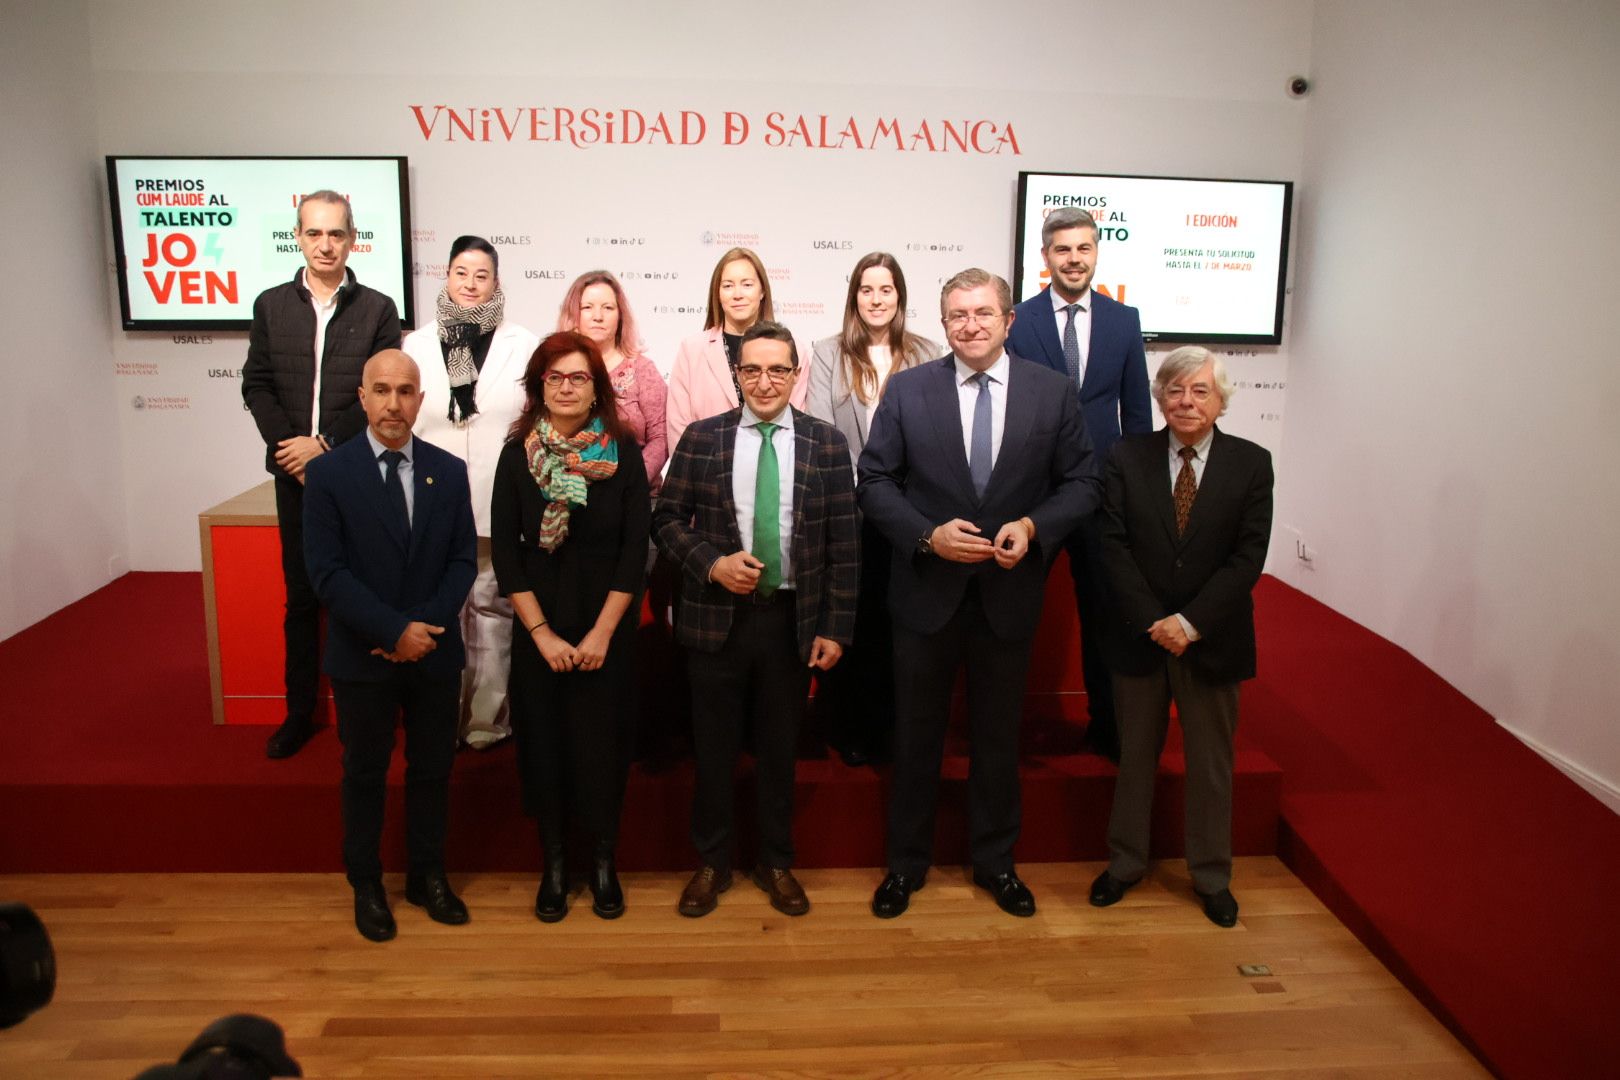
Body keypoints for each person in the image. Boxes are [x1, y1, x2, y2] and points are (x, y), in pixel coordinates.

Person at [857, 269, 1101, 920]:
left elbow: (1082, 482)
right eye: (957, 315)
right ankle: (905, 866)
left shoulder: (1052, 393)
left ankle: (997, 863)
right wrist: (925, 536)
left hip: (1008, 594)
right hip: (925, 594)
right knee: (915, 737)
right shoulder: (909, 390)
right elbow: (874, 479)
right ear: (943, 324)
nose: (970, 324)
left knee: (997, 739)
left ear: (1008, 320)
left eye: (983, 313)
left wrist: (1033, 526)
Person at [653, 321, 858, 918]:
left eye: (778, 370)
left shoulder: (826, 443)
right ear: (737, 376)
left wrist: (835, 627)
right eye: (752, 370)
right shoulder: (701, 438)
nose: (764, 381)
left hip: (792, 621)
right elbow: (665, 521)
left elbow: (845, 542)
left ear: (797, 376)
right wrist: (711, 564)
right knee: (712, 750)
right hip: (716, 620)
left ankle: (776, 860)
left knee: (778, 750)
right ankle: (712, 862)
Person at [1088, 346, 1273, 929]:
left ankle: (1212, 874)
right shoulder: (1125, 457)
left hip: (1212, 639)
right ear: (1159, 397)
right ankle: (1125, 864)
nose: (1186, 402)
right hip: (1140, 639)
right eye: (1174, 390)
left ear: (1221, 400)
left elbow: (1248, 558)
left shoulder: (1252, 463)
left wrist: (1190, 623)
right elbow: (1111, 546)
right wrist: (1154, 620)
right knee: (1135, 756)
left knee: (1212, 764)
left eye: (1199, 391)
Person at [301, 349, 478, 942]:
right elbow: (326, 573)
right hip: (363, 656)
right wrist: (390, 631)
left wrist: (419, 631)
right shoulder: (327, 475)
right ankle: (367, 882)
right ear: (363, 397)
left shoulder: (448, 472)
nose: (393, 403)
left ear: (421, 400)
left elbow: (460, 562)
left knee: (432, 769)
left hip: (432, 652)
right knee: (365, 771)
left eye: (405, 391)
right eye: (381, 390)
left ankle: (428, 875)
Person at [492, 332, 650, 923]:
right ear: (538, 386)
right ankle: (555, 864)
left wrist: (602, 635)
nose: (565, 387)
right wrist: (543, 636)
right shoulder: (517, 455)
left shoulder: (622, 453)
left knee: (602, 750)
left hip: (606, 629)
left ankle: (604, 862)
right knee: (546, 750)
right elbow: (507, 554)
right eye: (554, 377)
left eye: (577, 377)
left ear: (596, 387)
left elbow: (636, 551)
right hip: (542, 631)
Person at [242, 190, 402, 759]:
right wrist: (291, 448)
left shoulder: (379, 308)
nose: (326, 244)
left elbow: (382, 394)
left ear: (353, 239)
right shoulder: (270, 305)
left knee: (359, 592)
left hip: (354, 470)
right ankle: (298, 713)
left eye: (336, 234)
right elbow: (256, 384)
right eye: (314, 233)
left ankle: (367, 713)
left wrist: (325, 446)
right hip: (293, 473)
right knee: (303, 598)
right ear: (299, 237)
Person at [1007, 207, 1152, 762]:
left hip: (1101, 495)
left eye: (1084, 248)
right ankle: (1007, 730)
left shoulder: (1123, 319)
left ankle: (1108, 728)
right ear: (1045, 257)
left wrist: (1133, 493)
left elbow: (1137, 416)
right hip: (1031, 496)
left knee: (1107, 618)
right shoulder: (1020, 320)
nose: (1073, 259)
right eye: (1062, 249)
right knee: (1015, 618)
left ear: (1097, 253)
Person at [404, 235, 539, 751]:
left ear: (496, 281)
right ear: (447, 275)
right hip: (431, 499)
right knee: (439, 609)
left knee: (490, 608)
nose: (471, 284)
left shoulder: (522, 344)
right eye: (462, 272)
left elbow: (533, 421)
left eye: (482, 275)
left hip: (493, 499)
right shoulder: (417, 344)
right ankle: (441, 714)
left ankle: (487, 720)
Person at [806, 251, 940, 766]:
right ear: (854, 296)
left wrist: (897, 496)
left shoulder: (929, 352)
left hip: (909, 516)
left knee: (896, 626)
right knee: (849, 622)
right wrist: (865, 488)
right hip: (850, 510)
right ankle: (849, 730)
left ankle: (892, 731)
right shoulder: (827, 351)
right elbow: (821, 429)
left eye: (886, 290)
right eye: (867, 290)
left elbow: (934, 434)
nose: (877, 299)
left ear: (900, 297)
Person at [666, 247, 806, 449]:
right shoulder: (691, 350)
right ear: (718, 293)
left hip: (773, 468)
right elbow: (678, 428)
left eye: (747, 284)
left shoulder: (794, 349)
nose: (737, 294)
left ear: (762, 291)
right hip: (706, 471)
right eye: (728, 286)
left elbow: (796, 424)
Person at [557, 270, 668, 491]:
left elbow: (661, 438)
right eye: (587, 307)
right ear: (573, 314)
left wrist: (627, 485)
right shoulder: (553, 369)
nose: (598, 316)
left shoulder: (642, 369)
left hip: (635, 496)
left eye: (607, 308)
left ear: (620, 316)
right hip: (566, 497)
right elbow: (534, 428)